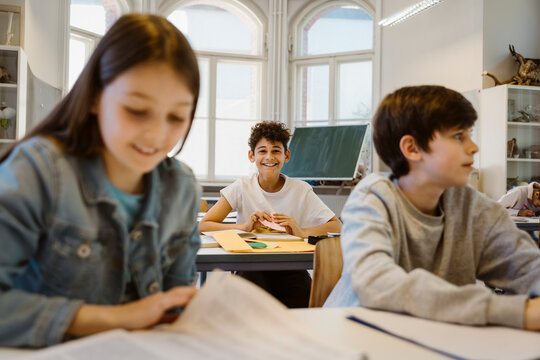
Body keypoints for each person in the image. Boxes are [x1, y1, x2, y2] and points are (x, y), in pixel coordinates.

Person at [0, 14, 202, 347]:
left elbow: (172, 306)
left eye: (178, 116)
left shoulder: (181, 188)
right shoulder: (39, 170)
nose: (157, 135)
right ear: (95, 97)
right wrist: (120, 318)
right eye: (137, 110)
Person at [325, 85, 540, 331]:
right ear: (412, 148)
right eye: (459, 136)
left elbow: (527, 267)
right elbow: (377, 283)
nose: (474, 147)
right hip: (356, 337)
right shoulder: (373, 198)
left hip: (434, 338)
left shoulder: (474, 207)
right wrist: (517, 312)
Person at [199, 121, 342, 307]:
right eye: (262, 151)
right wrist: (243, 227)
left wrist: (300, 231)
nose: (269, 157)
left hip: (290, 267)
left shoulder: (300, 189)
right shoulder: (242, 187)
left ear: (286, 155)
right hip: (249, 265)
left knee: (305, 304)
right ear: (251, 155)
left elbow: (336, 226)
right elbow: (204, 225)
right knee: (250, 306)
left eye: (276, 151)